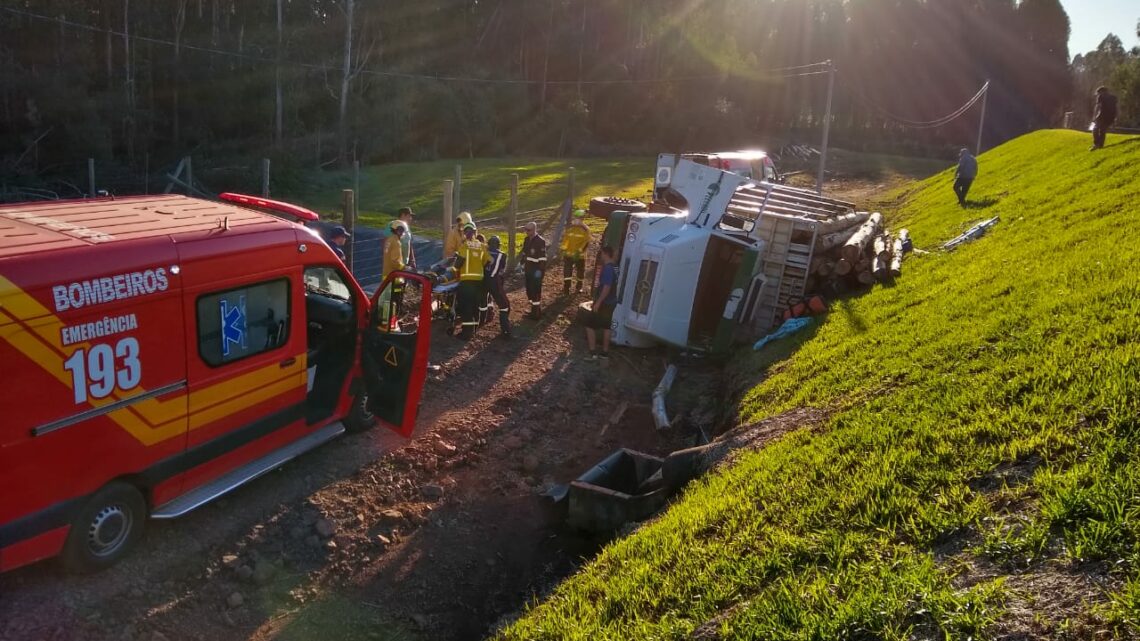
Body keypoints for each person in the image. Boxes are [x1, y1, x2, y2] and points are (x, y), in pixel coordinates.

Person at [454, 223, 490, 340]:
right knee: (475, 306)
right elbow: (487, 261)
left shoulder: (465, 245)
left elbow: (459, 262)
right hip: (479, 281)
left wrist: (454, 269)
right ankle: (474, 330)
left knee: (466, 307)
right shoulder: (481, 245)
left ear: (466, 233)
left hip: (467, 281)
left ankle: (467, 333)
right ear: (475, 232)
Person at [586, 245, 618, 360]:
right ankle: (605, 353)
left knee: (589, 326)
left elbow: (607, 287)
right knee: (606, 327)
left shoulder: (608, 268)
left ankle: (592, 353)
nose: (600, 256)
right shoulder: (615, 267)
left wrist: (598, 302)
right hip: (612, 301)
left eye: (601, 253)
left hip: (605, 302)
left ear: (605, 253)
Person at [482, 235, 512, 338]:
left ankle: (481, 322)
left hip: (482, 281)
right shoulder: (502, 255)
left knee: (483, 302)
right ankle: (506, 331)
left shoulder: (483, 252)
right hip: (494, 282)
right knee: (505, 305)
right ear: (498, 245)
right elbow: (501, 270)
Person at [560, 209, 591, 296]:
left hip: (579, 256)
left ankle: (579, 286)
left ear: (582, 219)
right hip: (568, 254)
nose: (577, 219)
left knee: (580, 271)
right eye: (576, 217)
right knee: (567, 272)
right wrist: (563, 248)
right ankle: (566, 288)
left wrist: (579, 251)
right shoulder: (570, 228)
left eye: (579, 218)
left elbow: (586, 242)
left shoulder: (585, 229)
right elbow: (566, 239)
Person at [521, 221, 548, 319]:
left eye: (528, 230)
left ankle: (536, 313)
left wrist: (540, 273)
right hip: (528, 270)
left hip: (536, 271)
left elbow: (542, 258)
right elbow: (524, 253)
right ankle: (534, 309)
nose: (526, 232)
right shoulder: (526, 240)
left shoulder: (540, 241)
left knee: (536, 291)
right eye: (525, 229)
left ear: (534, 230)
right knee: (529, 290)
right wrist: (521, 263)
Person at [382, 220, 408, 315]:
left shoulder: (389, 240)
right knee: (395, 298)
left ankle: (385, 316)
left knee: (387, 299)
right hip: (394, 276)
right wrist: (404, 267)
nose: (403, 234)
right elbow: (395, 261)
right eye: (402, 231)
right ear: (399, 231)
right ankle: (393, 316)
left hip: (386, 274)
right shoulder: (396, 242)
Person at [1091, 86, 1118, 151]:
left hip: (1102, 115)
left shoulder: (1101, 97)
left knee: (1095, 129)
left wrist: (1094, 116)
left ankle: (1096, 144)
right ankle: (1100, 145)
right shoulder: (1114, 97)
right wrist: (1116, 118)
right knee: (1102, 131)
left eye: (1099, 93)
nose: (1098, 94)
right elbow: (1116, 108)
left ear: (1102, 92)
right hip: (1111, 116)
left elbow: (1097, 107)